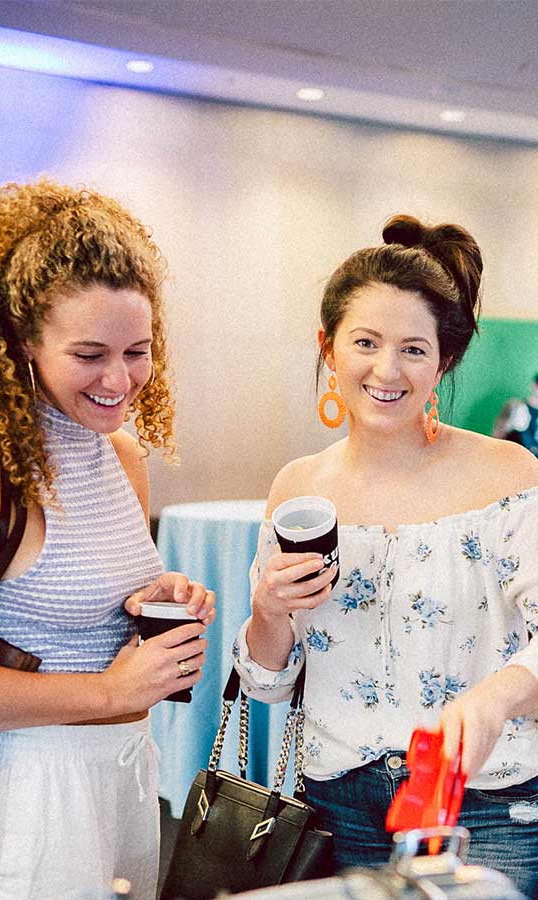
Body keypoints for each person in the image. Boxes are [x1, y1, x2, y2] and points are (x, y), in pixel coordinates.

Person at [232, 215, 538, 898]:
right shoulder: (299, 489)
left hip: (484, 799)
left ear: (444, 361)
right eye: (365, 342)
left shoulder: (510, 476)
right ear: (329, 346)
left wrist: (496, 699)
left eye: (413, 350)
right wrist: (268, 609)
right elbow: (267, 681)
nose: (386, 370)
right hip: (339, 800)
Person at [0, 179, 216, 900]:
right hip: (23, 792)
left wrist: (159, 600)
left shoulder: (122, 456)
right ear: (22, 338)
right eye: (90, 353)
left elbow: (86, 601)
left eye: (138, 351)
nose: (120, 379)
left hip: (123, 769)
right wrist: (105, 691)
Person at [493, 372, 538, 455]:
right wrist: (509, 426)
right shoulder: (515, 406)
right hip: (513, 458)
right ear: (534, 385)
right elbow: (497, 436)